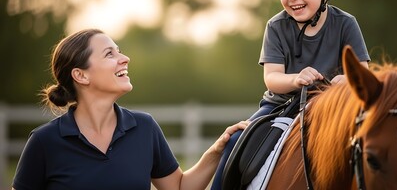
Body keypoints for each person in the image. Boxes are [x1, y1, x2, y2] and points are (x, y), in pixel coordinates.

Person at [11, 29, 249, 190]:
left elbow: (178, 187)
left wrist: (218, 150)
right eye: (109, 54)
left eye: (119, 50)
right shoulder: (45, 142)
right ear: (80, 75)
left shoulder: (144, 128)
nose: (124, 58)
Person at [210, 0, 370, 188]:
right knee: (235, 140)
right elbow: (272, 78)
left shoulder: (346, 24)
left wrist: (345, 81)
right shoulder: (276, 26)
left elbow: (362, 72)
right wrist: (296, 79)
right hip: (281, 106)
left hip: (335, 106)